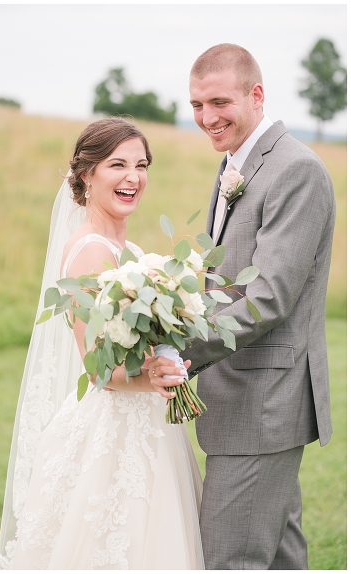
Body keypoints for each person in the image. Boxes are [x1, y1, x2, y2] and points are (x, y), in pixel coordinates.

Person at [147, 43, 336, 569]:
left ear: (256, 95)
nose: (208, 117)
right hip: (243, 398)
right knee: (279, 559)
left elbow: (267, 297)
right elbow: (226, 279)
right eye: (197, 106)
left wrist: (177, 347)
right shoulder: (237, 163)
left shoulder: (294, 170)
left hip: (264, 403)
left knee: (229, 560)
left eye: (219, 102)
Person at [0, 118, 204, 569]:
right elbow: (97, 368)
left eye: (142, 165)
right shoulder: (91, 251)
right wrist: (152, 376)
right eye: (118, 165)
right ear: (87, 174)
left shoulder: (126, 251)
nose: (133, 177)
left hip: (147, 421)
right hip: (115, 428)